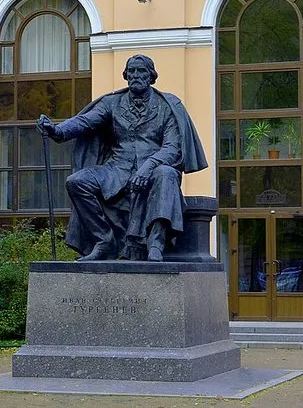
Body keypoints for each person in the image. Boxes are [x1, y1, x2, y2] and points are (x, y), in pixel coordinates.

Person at [36, 54, 207, 262]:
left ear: (151, 76)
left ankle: (156, 242)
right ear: (126, 75)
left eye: (141, 71)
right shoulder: (113, 103)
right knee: (77, 182)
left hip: (154, 169)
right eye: (132, 71)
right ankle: (103, 240)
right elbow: (86, 121)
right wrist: (57, 130)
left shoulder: (166, 106)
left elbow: (172, 148)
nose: (136, 75)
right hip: (117, 169)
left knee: (167, 174)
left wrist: (148, 166)